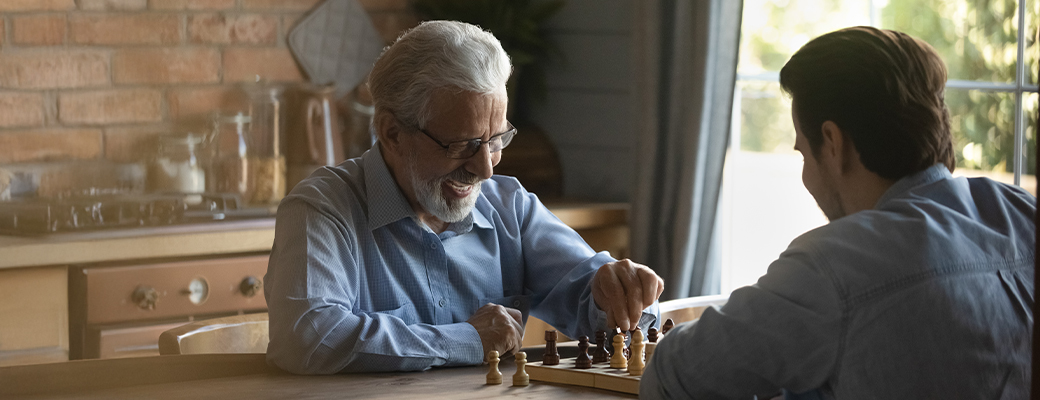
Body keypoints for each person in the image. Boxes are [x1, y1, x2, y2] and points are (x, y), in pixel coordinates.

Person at [641, 26, 1035, 399]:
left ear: (832, 142)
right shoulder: (1023, 212)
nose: (805, 174)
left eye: (802, 151)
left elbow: (672, 378)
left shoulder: (834, 264)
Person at [264, 20, 664, 375]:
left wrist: (624, 295)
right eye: (463, 144)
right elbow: (309, 337)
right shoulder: (321, 209)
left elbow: (596, 300)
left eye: (495, 141)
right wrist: (467, 340)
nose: (485, 169)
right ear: (391, 133)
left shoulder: (510, 208)